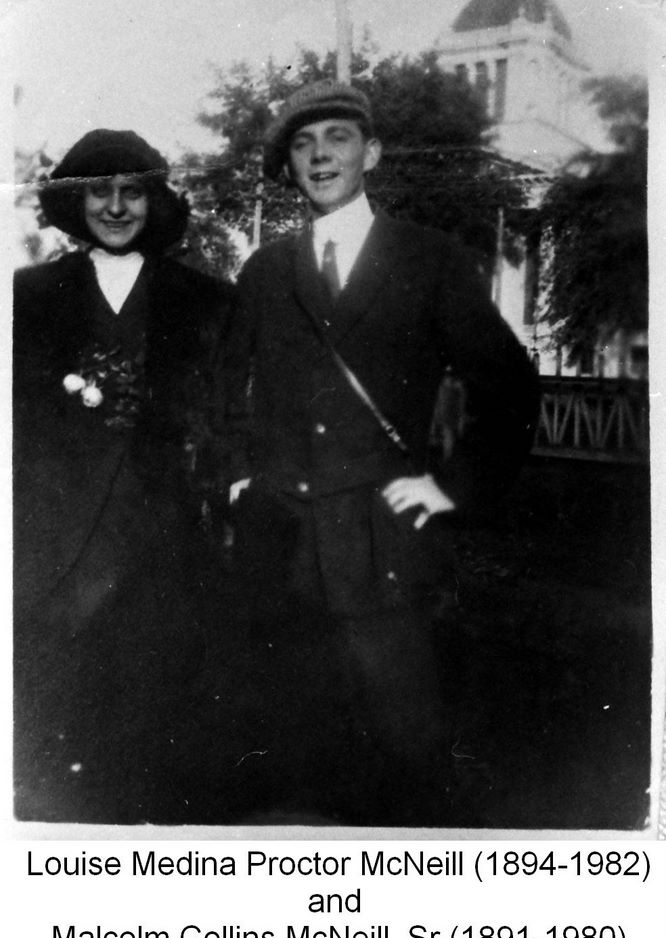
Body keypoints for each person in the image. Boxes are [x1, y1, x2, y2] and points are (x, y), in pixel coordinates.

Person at [218, 79, 540, 826]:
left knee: (406, 746)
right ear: (289, 167)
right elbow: (224, 386)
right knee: (291, 755)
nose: (320, 155)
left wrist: (451, 486)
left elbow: (507, 384)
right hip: (284, 540)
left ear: (373, 154)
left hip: (384, 538)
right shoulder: (267, 270)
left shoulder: (428, 259)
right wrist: (237, 480)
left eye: (337, 137)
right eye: (303, 144)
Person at [13, 129, 232, 824]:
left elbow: (226, 420)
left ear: (154, 201)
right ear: (74, 204)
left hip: (162, 546)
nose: (115, 207)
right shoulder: (27, 296)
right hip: (61, 549)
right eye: (99, 192)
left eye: (131, 191)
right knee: (63, 729)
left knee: (157, 723)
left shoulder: (204, 299)